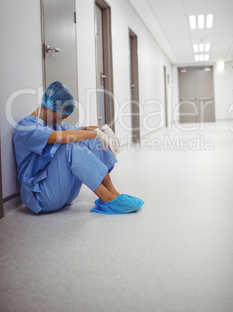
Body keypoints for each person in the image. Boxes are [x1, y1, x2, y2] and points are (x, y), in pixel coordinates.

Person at [13, 81, 144, 215]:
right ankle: (106, 198)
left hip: (64, 194)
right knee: (71, 143)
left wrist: (104, 130)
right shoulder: (26, 128)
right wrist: (95, 134)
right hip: (41, 197)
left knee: (91, 139)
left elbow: (84, 129)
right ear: (48, 107)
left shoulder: (54, 125)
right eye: (59, 117)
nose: (60, 122)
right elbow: (64, 137)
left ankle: (113, 193)